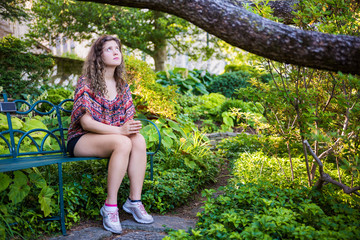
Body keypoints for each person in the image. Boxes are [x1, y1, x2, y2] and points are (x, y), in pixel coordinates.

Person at [67, 35, 154, 234]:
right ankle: (110, 206)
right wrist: (120, 131)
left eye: (117, 48)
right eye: (109, 49)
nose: (116, 52)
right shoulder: (87, 82)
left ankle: (134, 201)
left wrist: (130, 127)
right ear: (98, 56)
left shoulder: (122, 85)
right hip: (81, 139)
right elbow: (86, 122)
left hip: (112, 138)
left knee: (138, 140)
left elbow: (126, 121)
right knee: (122, 143)